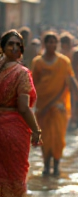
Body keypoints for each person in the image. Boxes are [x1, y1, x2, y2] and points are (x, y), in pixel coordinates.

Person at [0, 29, 42, 196]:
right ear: (2, 48)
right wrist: (36, 129)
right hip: (13, 132)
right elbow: (23, 107)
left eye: (18, 45)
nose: (15, 48)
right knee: (15, 178)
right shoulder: (21, 73)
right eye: (11, 44)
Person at [32, 32, 77, 176]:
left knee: (58, 137)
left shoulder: (64, 62)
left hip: (59, 105)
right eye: (49, 42)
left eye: (54, 42)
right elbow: (34, 84)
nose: (52, 45)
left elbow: (67, 83)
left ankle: (56, 165)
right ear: (44, 44)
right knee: (44, 137)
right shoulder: (37, 62)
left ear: (57, 44)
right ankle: (46, 165)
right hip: (42, 106)